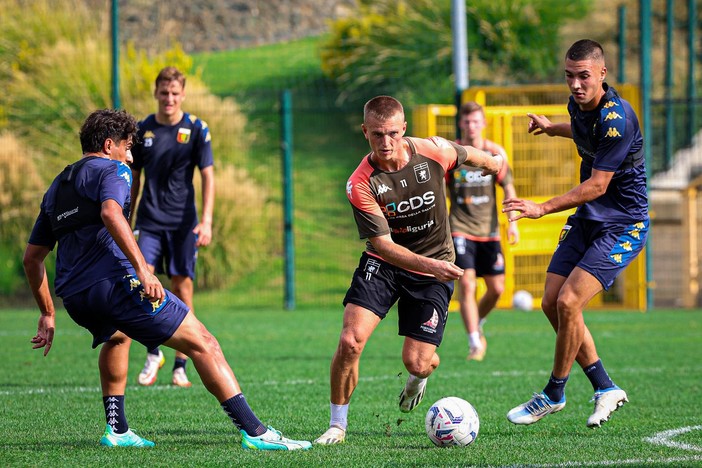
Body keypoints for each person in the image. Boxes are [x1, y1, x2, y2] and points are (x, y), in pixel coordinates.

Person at [23, 108, 311, 450]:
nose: (131, 156)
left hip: (76, 297)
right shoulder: (114, 169)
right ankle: (256, 432)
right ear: (109, 144)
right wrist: (144, 270)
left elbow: (32, 258)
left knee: (117, 338)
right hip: (115, 284)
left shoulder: (58, 185)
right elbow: (111, 212)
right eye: (128, 148)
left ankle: (117, 430)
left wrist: (47, 312)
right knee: (204, 343)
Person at [314, 96, 504, 445]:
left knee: (417, 362)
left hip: (433, 269)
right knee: (350, 341)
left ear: (403, 129)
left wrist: (493, 162)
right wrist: (432, 265)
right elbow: (384, 246)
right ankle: (337, 425)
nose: (385, 143)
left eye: (391, 134)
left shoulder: (433, 151)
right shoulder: (361, 183)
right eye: (376, 135)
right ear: (364, 132)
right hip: (386, 264)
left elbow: (466, 153)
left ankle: (419, 377)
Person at [502, 39, 648, 428]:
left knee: (569, 303)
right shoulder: (578, 104)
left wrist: (541, 207)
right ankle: (604, 387)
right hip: (589, 218)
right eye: (569, 76)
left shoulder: (618, 118)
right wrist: (553, 129)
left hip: (623, 224)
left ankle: (553, 393)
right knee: (551, 301)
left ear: (602, 73)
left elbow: (598, 185)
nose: (576, 84)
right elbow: (585, 131)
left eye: (584, 76)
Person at [129, 66, 215, 388]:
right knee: (142, 282)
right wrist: (127, 217)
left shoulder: (196, 129)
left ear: (182, 95)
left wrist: (206, 221)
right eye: (164, 92)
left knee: (182, 288)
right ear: (156, 93)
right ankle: (154, 351)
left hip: (183, 224)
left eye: (175, 93)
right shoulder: (142, 131)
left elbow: (208, 175)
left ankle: (181, 363)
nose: (169, 98)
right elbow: (134, 178)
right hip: (149, 222)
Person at [447, 101, 519, 362]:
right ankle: (475, 343)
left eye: (476, 121)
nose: (471, 126)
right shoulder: (452, 154)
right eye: (467, 121)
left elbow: (508, 187)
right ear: (461, 124)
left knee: (497, 289)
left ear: (484, 124)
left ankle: (477, 322)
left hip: (489, 232)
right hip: (460, 228)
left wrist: (513, 221)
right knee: (466, 283)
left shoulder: (494, 153)